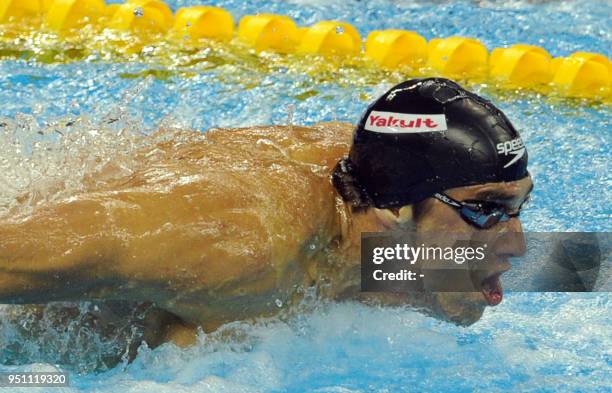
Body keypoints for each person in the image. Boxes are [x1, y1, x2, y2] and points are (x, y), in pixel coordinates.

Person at [0, 78, 533, 348]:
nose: (519, 243)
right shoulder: (235, 244)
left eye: (518, 208)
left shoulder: (389, 241)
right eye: (488, 211)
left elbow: (580, 266)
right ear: (394, 207)